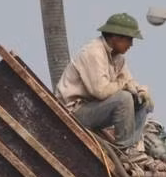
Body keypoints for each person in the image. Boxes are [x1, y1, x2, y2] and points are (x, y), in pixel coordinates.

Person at [56, 13, 154, 163]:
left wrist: (141, 91)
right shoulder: (94, 53)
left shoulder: (118, 58)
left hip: (94, 108)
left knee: (142, 100)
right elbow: (101, 92)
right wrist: (125, 85)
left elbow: (129, 81)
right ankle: (125, 150)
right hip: (74, 112)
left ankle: (134, 148)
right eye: (129, 40)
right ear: (115, 37)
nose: (131, 45)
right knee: (124, 98)